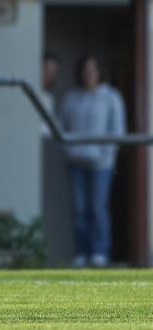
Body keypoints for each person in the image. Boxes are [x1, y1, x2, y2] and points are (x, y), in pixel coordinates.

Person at [59, 55, 125, 268]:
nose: (88, 74)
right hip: (76, 161)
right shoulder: (71, 98)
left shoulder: (111, 97)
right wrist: (70, 150)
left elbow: (117, 130)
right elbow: (60, 127)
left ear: (99, 72)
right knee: (79, 209)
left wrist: (105, 153)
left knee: (97, 207)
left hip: (101, 164)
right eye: (85, 70)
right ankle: (82, 252)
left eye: (92, 70)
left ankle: (99, 252)